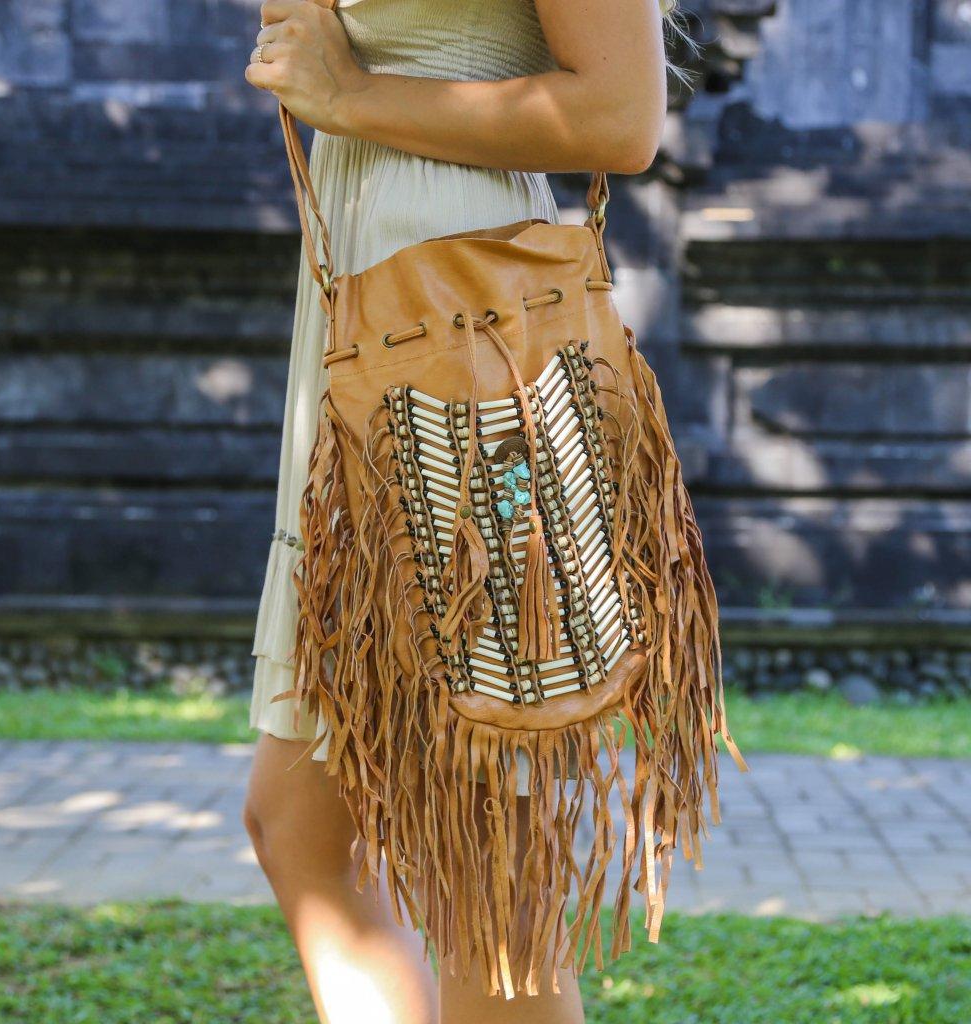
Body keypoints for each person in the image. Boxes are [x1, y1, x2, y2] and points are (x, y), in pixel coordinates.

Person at [241, 1, 672, 1020]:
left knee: (482, 858)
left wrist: (351, 93)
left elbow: (623, 116)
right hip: (366, 295)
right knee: (300, 827)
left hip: (461, 319)